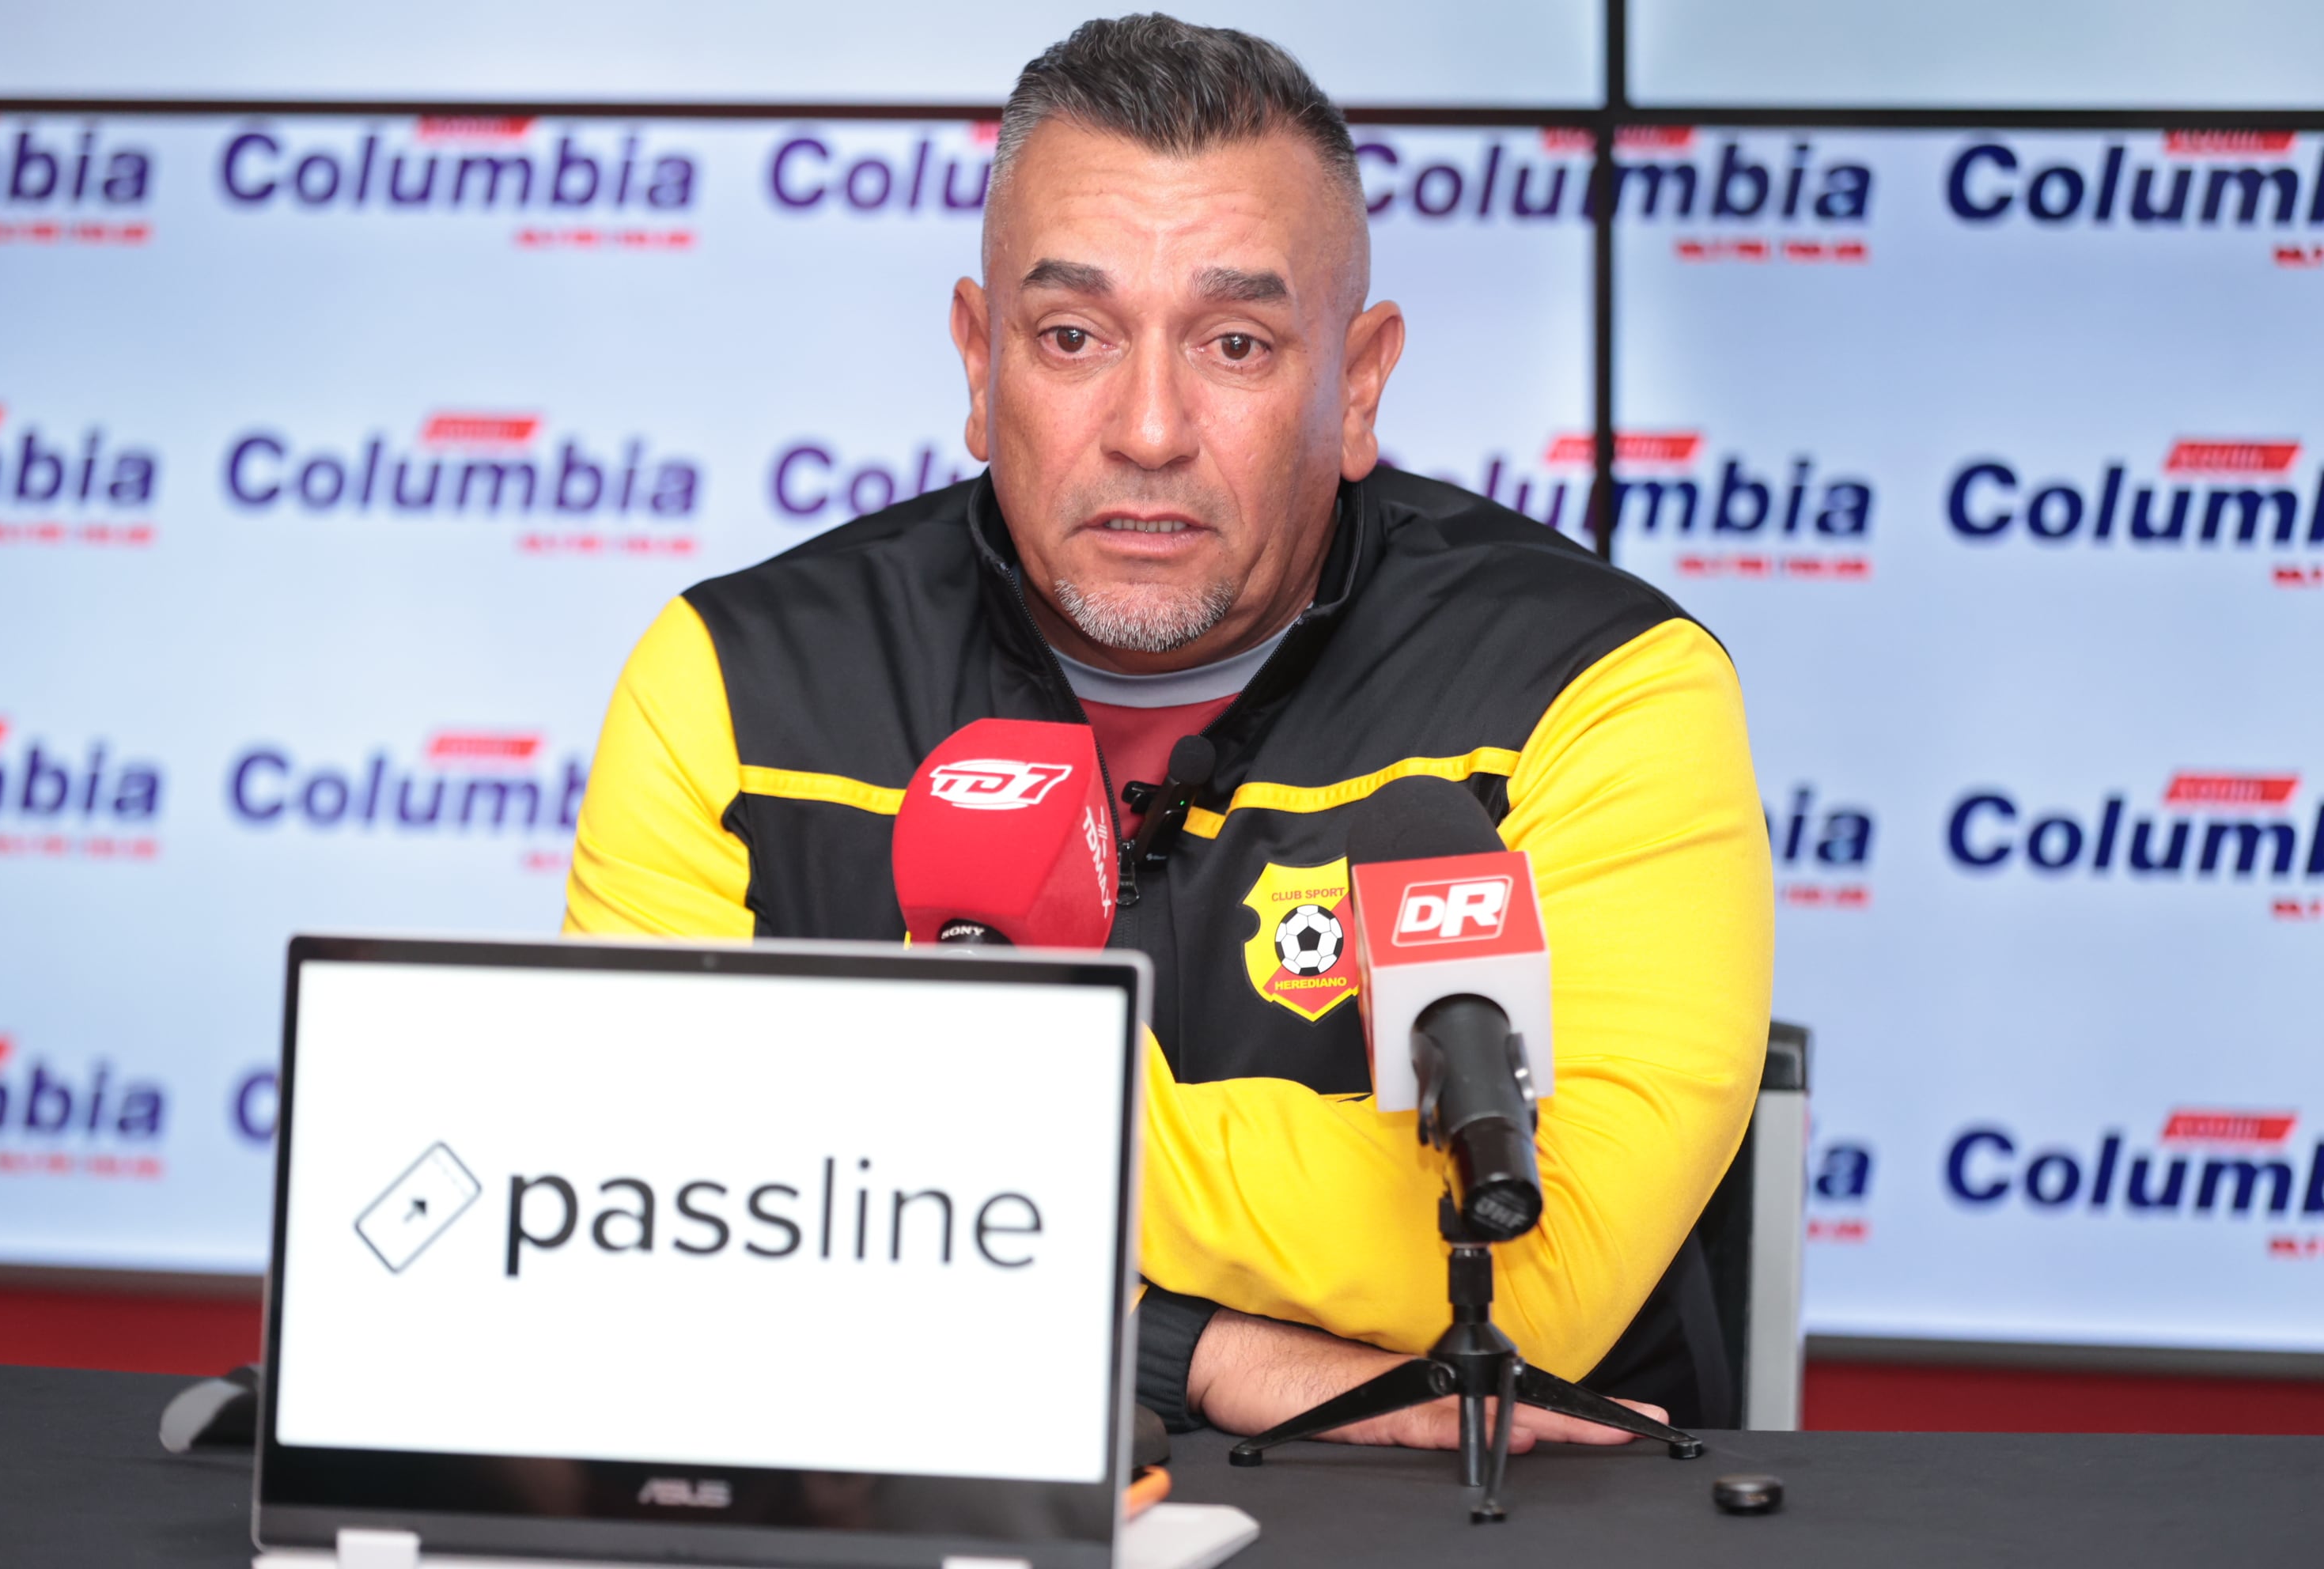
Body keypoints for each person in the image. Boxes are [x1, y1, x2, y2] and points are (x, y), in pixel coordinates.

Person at [564, 14, 1770, 1452]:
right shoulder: (733, 682)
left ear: (1360, 383)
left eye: (1236, 343)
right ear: (977, 358)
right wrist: (1199, 1359)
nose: (1147, 426)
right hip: (903, 1504)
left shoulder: (1603, 685)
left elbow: (1525, 1271)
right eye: (1072, 336)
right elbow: (637, 1240)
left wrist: (890, 1154)